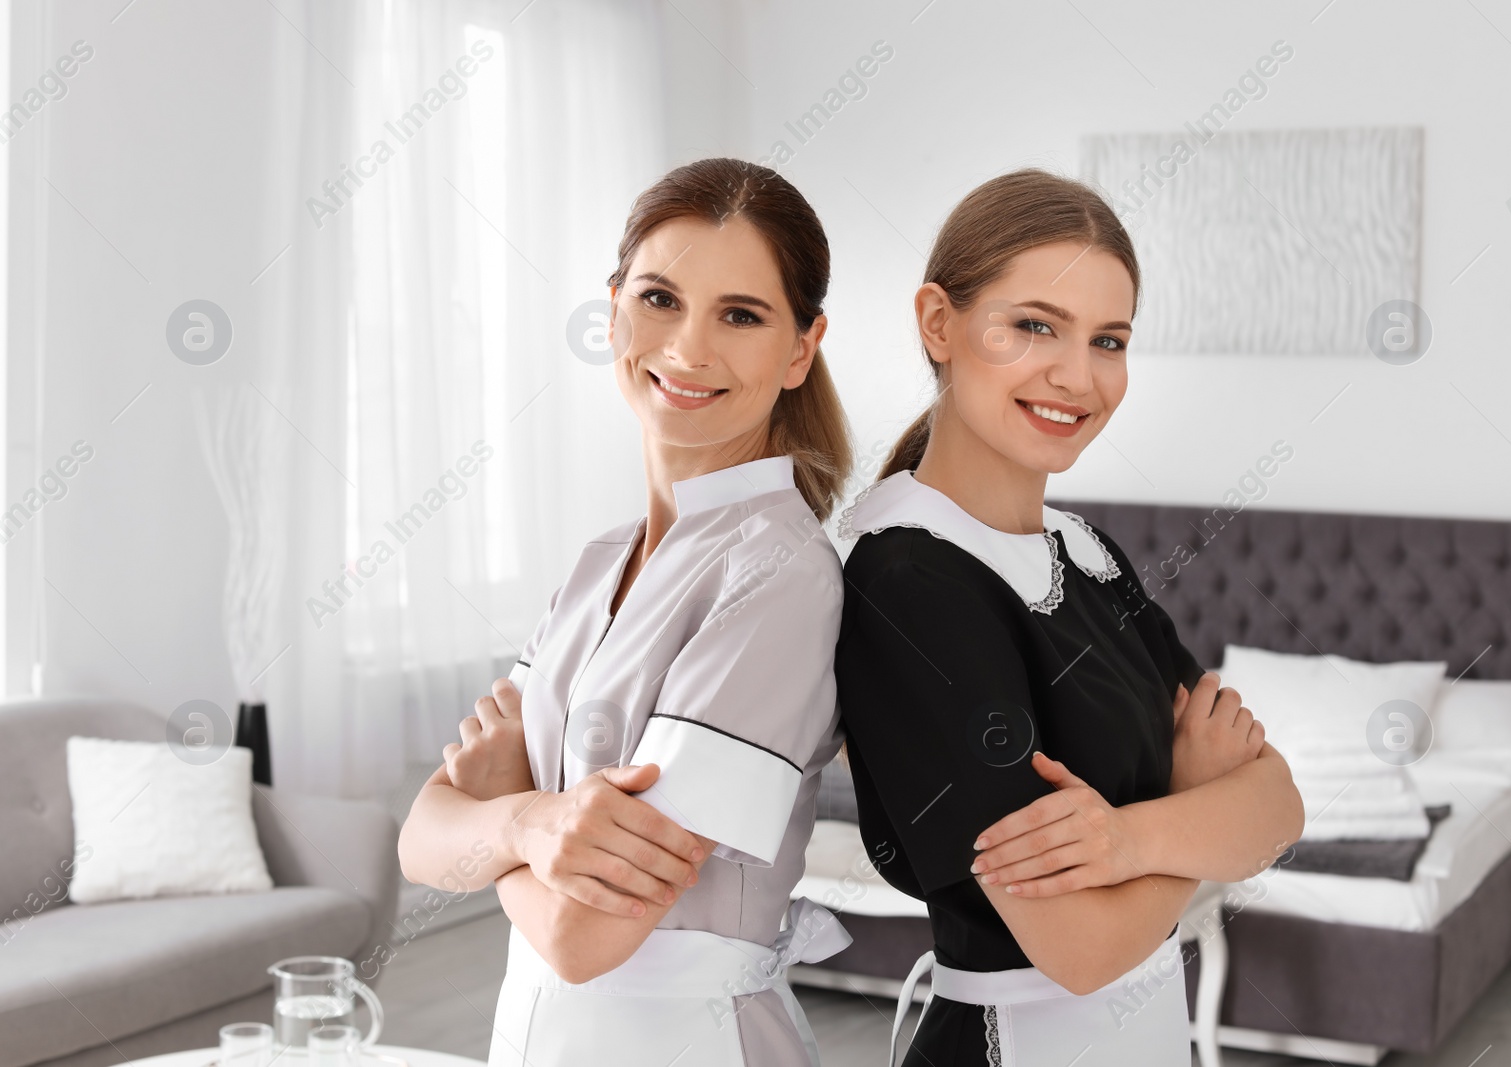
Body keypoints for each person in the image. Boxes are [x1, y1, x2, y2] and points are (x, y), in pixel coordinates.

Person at [832, 168, 1306, 1066]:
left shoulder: (1084, 551)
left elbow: (1280, 807)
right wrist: (1197, 802)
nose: (1077, 375)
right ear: (940, 322)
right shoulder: (907, 581)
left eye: (1110, 339)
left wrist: (1127, 836)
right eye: (1034, 326)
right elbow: (1079, 948)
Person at [398, 158, 856, 1067]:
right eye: (658, 298)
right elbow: (417, 843)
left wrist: (493, 810)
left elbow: (580, 938)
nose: (688, 347)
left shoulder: (781, 576)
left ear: (800, 349)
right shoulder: (602, 561)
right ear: (612, 309)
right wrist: (532, 825)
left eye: (741, 314)